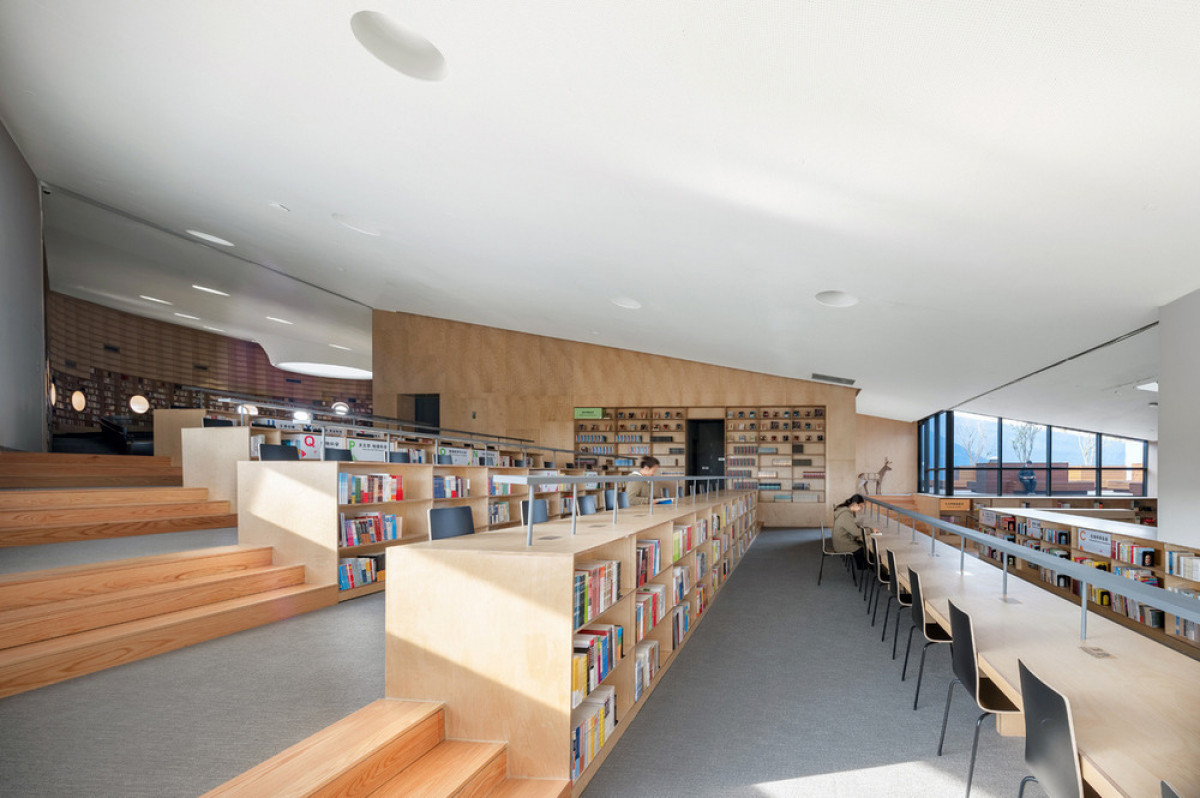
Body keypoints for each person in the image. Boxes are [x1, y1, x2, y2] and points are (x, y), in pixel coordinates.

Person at [831, 493, 871, 570]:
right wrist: (871, 530)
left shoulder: (844, 511)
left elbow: (850, 527)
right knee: (863, 549)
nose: (861, 509)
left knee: (864, 547)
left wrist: (865, 529)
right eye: (861, 506)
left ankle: (869, 568)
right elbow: (856, 532)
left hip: (841, 541)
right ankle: (869, 570)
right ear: (855, 504)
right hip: (842, 544)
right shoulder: (845, 514)